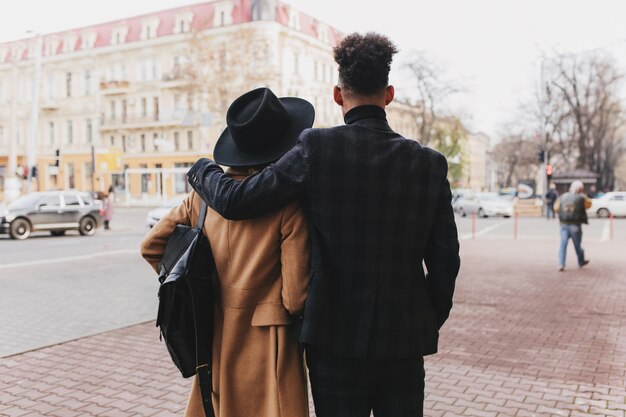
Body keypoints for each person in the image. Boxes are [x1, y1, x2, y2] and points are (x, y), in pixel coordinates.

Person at [186, 32, 460, 417]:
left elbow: (237, 201)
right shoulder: (428, 164)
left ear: (337, 95)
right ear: (389, 93)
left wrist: (202, 169)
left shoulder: (316, 148)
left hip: (333, 339)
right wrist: (427, 317)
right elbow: (446, 261)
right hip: (404, 339)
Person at [140, 87, 313, 417]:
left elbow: (151, 247)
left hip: (215, 330)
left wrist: (199, 285)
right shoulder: (288, 205)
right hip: (269, 341)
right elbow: (294, 297)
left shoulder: (202, 198)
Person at [555, 180, 591, 272]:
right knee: (577, 245)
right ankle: (581, 261)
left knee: (563, 245)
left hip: (564, 224)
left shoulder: (562, 197)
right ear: (580, 189)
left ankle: (561, 264)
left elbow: (556, 208)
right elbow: (589, 205)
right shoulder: (582, 197)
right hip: (575, 224)